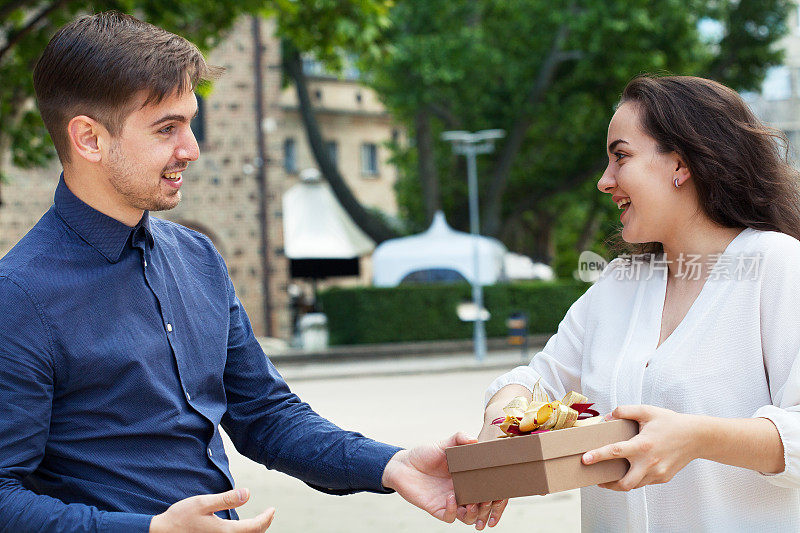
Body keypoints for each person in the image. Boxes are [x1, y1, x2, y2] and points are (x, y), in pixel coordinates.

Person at [0, 12, 494, 532]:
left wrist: (391, 465)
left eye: (191, 122)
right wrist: (148, 531)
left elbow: (268, 417)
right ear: (89, 139)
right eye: (167, 129)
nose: (191, 149)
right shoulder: (19, 296)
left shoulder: (198, 258)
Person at [479, 75, 800, 531]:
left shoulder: (777, 264)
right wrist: (502, 422)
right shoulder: (619, 283)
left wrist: (698, 437)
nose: (604, 181)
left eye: (621, 156)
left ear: (680, 164)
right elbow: (536, 384)